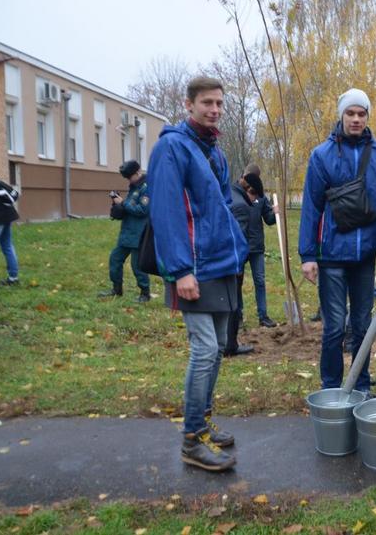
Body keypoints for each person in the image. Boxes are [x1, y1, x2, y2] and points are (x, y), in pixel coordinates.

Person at [147, 76, 248, 472]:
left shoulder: (215, 151)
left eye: (220, 103)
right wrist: (179, 271)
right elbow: (166, 212)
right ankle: (191, 439)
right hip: (191, 268)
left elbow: (222, 208)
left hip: (222, 265)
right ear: (188, 104)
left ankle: (204, 425)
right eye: (207, 102)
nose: (215, 109)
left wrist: (236, 251)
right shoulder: (171, 148)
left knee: (220, 346)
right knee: (204, 349)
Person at [298, 88, 376, 394]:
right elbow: (311, 207)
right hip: (331, 256)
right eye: (350, 113)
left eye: (361, 113)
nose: (355, 119)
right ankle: (330, 388)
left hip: (365, 256)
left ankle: (360, 386)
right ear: (341, 115)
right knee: (335, 327)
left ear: (368, 116)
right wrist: (308, 255)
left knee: (363, 328)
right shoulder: (321, 155)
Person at [229, 169, 278, 333]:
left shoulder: (260, 196)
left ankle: (263, 316)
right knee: (238, 282)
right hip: (241, 247)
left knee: (260, 280)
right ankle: (239, 316)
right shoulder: (235, 196)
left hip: (256, 246)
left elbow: (269, 219)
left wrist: (275, 213)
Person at [98, 160, 151, 302]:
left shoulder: (146, 188)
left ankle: (145, 293)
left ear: (138, 172)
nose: (128, 179)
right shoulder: (134, 187)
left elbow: (142, 210)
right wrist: (118, 207)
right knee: (115, 258)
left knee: (137, 266)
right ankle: (117, 289)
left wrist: (123, 203)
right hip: (127, 232)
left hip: (139, 233)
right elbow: (129, 207)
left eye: (129, 176)